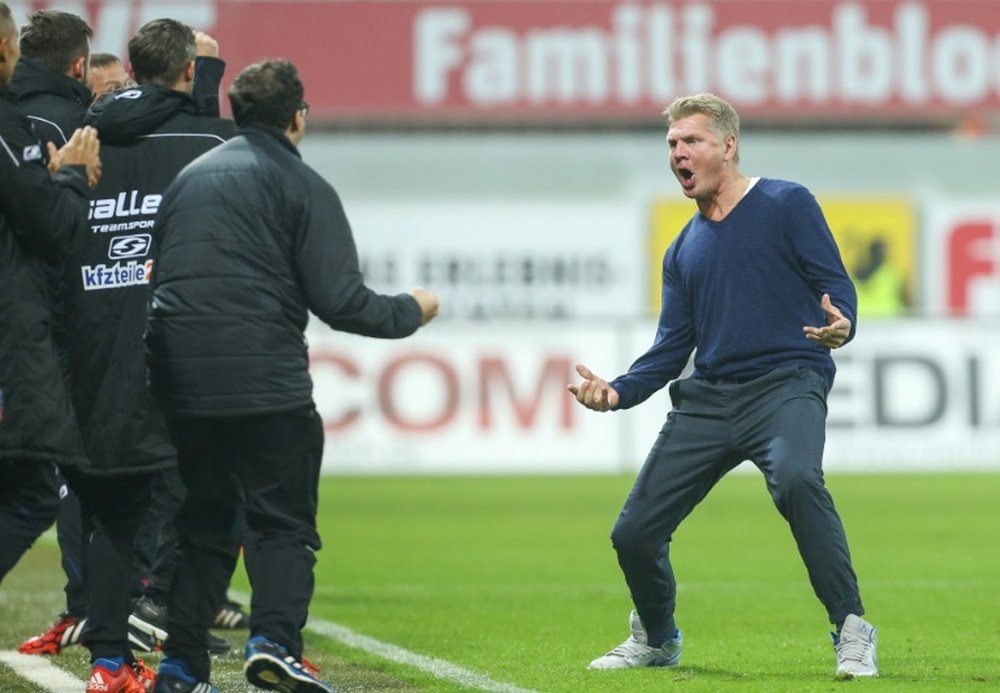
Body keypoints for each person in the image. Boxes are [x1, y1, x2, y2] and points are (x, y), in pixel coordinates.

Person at [145, 59, 439, 693]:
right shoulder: (301, 185)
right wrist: (413, 310)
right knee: (281, 523)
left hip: (184, 391)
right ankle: (275, 642)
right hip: (268, 389)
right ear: (298, 118)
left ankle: (180, 668)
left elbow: (155, 279)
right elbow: (342, 303)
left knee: (201, 530)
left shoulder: (187, 182)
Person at [569, 93, 878, 679]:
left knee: (796, 480)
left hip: (787, 383)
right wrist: (616, 391)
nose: (678, 153)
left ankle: (853, 629)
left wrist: (844, 324)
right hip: (708, 400)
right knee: (633, 534)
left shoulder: (787, 202)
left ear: (728, 146)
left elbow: (836, 284)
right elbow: (669, 349)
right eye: (672, 144)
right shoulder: (682, 248)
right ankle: (657, 638)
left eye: (692, 141)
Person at [54, 17, 235, 693]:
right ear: (191, 74)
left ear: (129, 70)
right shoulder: (211, 142)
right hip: (186, 351)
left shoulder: (82, 139)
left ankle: (106, 661)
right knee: (203, 514)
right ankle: (183, 662)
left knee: (112, 513)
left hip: (96, 348)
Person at [0, 2, 100, 587]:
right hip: (24, 334)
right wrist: (68, 176)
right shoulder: (14, 123)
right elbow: (50, 229)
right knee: (37, 490)